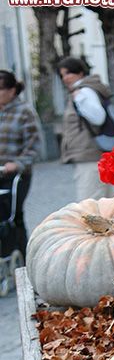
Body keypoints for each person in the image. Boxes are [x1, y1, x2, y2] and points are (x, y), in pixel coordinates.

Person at [57, 56, 114, 202]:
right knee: (105, 204)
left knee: (89, 206)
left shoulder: (83, 92)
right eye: (62, 75)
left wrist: (80, 99)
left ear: (80, 73)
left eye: (68, 73)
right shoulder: (85, 90)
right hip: (93, 155)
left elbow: (98, 117)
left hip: (90, 156)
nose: (65, 78)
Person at [0, 70, 42, 259]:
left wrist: (16, 164)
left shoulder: (24, 112)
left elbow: (34, 146)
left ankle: (24, 259)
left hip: (16, 174)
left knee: (14, 216)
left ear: (12, 90)